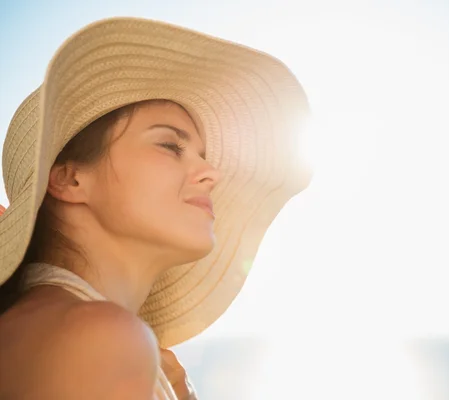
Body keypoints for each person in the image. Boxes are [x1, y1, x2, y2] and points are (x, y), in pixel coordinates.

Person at [0, 17, 311, 399]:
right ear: (69, 179)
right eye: (169, 146)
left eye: (202, 155)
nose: (210, 173)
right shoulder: (97, 338)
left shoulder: (52, 327)